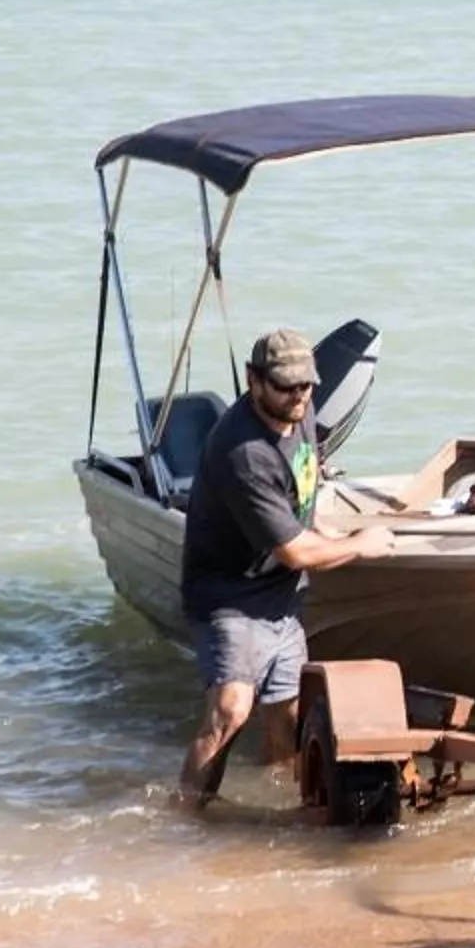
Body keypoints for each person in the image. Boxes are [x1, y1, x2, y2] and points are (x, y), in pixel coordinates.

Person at [176, 328, 393, 806]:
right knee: (231, 711)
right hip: (230, 597)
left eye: (306, 385)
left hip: (281, 594)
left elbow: (304, 476)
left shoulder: (302, 411)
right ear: (253, 380)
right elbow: (294, 552)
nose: (298, 396)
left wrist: (316, 527)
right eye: (285, 386)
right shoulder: (243, 452)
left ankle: (281, 811)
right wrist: (360, 545)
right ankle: (184, 817)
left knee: (288, 716)